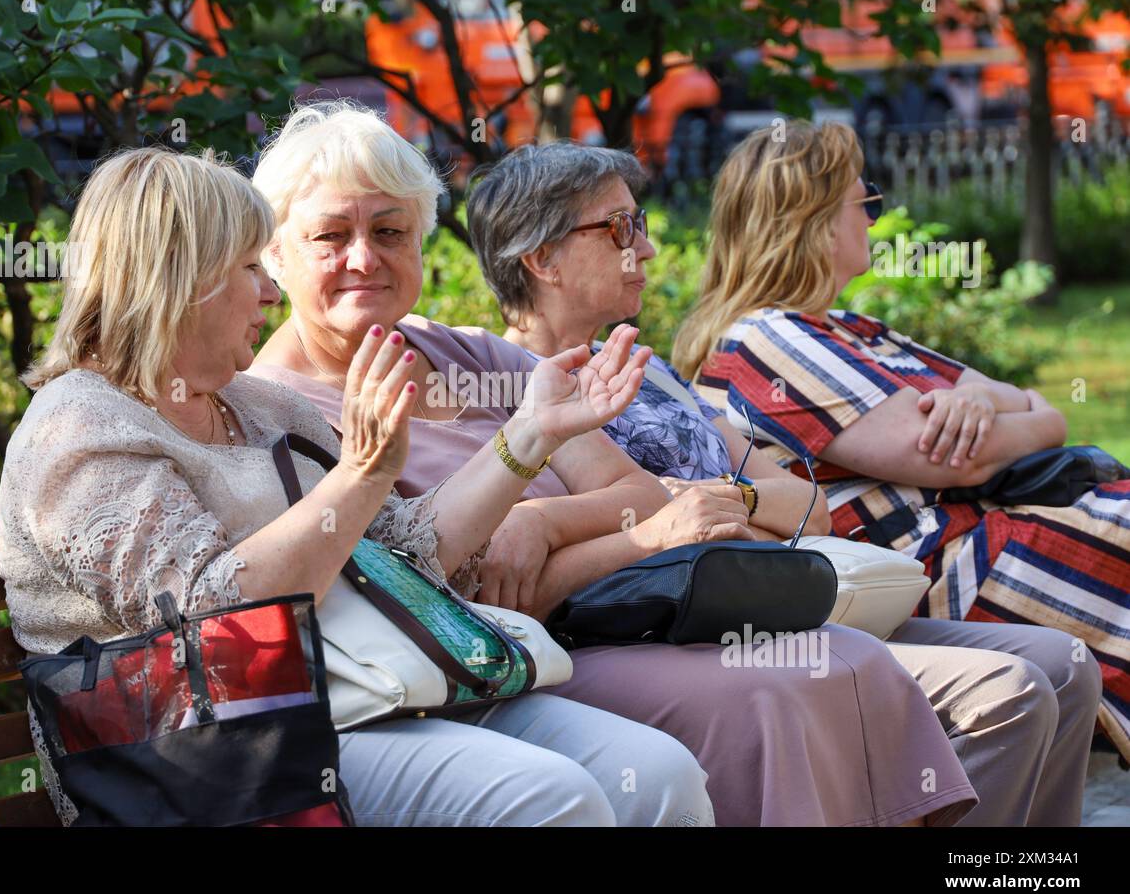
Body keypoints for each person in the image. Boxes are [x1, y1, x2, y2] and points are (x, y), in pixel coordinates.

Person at [248, 100, 980, 826]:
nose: (364, 258)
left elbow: (634, 489)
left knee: (851, 660)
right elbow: (454, 594)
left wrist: (539, 521)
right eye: (329, 236)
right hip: (516, 660)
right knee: (775, 690)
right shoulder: (278, 409)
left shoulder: (467, 353)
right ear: (276, 254)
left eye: (389, 231)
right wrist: (633, 540)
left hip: (614, 615)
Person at [0, 145, 715, 828]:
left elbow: (403, 552)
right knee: (547, 799)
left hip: (375, 686)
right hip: (217, 748)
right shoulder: (81, 429)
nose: (270, 293)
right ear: (181, 282)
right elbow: (209, 620)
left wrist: (530, 436)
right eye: (250, 267)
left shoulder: (260, 405)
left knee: (658, 773)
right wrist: (362, 474)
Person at [463, 137, 1106, 826]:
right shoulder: (503, 391)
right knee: (1009, 688)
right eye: (622, 228)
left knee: (1064, 665)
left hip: (785, 598)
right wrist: (677, 513)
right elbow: (572, 548)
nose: (646, 249)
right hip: (692, 632)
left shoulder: (652, 375)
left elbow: (811, 508)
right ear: (541, 259)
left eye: (641, 224)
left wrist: (725, 499)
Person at [672, 119, 1126, 767]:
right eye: (868, 202)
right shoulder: (765, 339)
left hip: (976, 537)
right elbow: (950, 454)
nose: (876, 220)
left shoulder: (852, 329)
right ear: (820, 223)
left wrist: (982, 403)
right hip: (925, 570)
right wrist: (1009, 414)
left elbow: (1040, 414)